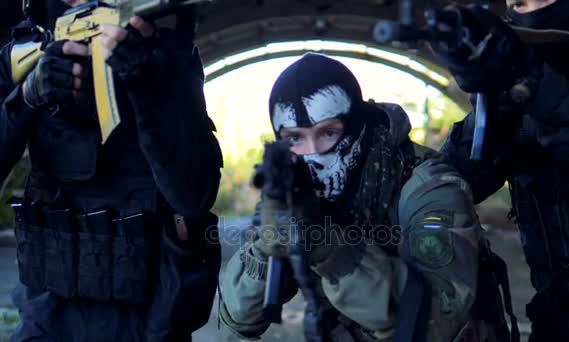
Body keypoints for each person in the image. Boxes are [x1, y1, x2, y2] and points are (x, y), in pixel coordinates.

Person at [218, 53, 497, 341]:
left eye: (328, 133)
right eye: (296, 138)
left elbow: (438, 319)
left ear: (356, 125)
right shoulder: (295, 186)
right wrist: (265, 250)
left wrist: (330, 250)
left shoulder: (426, 184)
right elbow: (240, 318)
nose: (313, 152)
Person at [0, 0, 223, 341]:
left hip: (149, 320)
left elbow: (194, 196)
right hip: (48, 316)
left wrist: (149, 87)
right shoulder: (25, 53)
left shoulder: (166, 55)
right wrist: (26, 97)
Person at [433, 0, 569, 340]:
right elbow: (455, 183)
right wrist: (494, 102)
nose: (526, 9)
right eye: (517, 3)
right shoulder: (519, 93)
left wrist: (532, 79)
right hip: (559, 321)